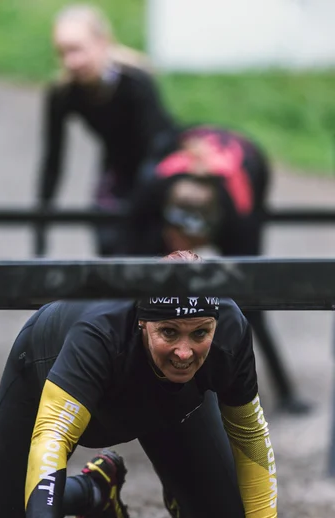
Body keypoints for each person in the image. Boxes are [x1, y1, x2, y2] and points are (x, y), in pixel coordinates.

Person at [0, 250, 303, 518]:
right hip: (47, 371)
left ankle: (183, 489)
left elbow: (249, 435)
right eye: (169, 332)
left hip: (170, 403)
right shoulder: (99, 333)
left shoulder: (230, 329)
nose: (184, 352)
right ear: (144, 323)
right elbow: (54, 434)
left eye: (200, 333)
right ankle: (92, 491)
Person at [130, 125, 311, 415]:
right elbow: (129, 268)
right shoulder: (153, 189)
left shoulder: (239, 216)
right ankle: (135, 376)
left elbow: (252, 297)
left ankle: (286, 391)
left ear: (211, 234)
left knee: (250, 303)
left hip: (249, 161)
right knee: (138, 283)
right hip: (190, 139)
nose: (180, 247)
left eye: (190, 243)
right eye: (175, 237)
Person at [35, 3, 176, 256]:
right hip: (116, 167)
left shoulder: (135, 82)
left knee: (147, 248)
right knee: (107, 247)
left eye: (77, 49)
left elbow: (156, 145)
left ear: (102, 42)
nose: (71, 61)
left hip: (161, 165)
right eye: (62, 52)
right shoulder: (63, 94)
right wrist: (41, 225)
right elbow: (52, 160)